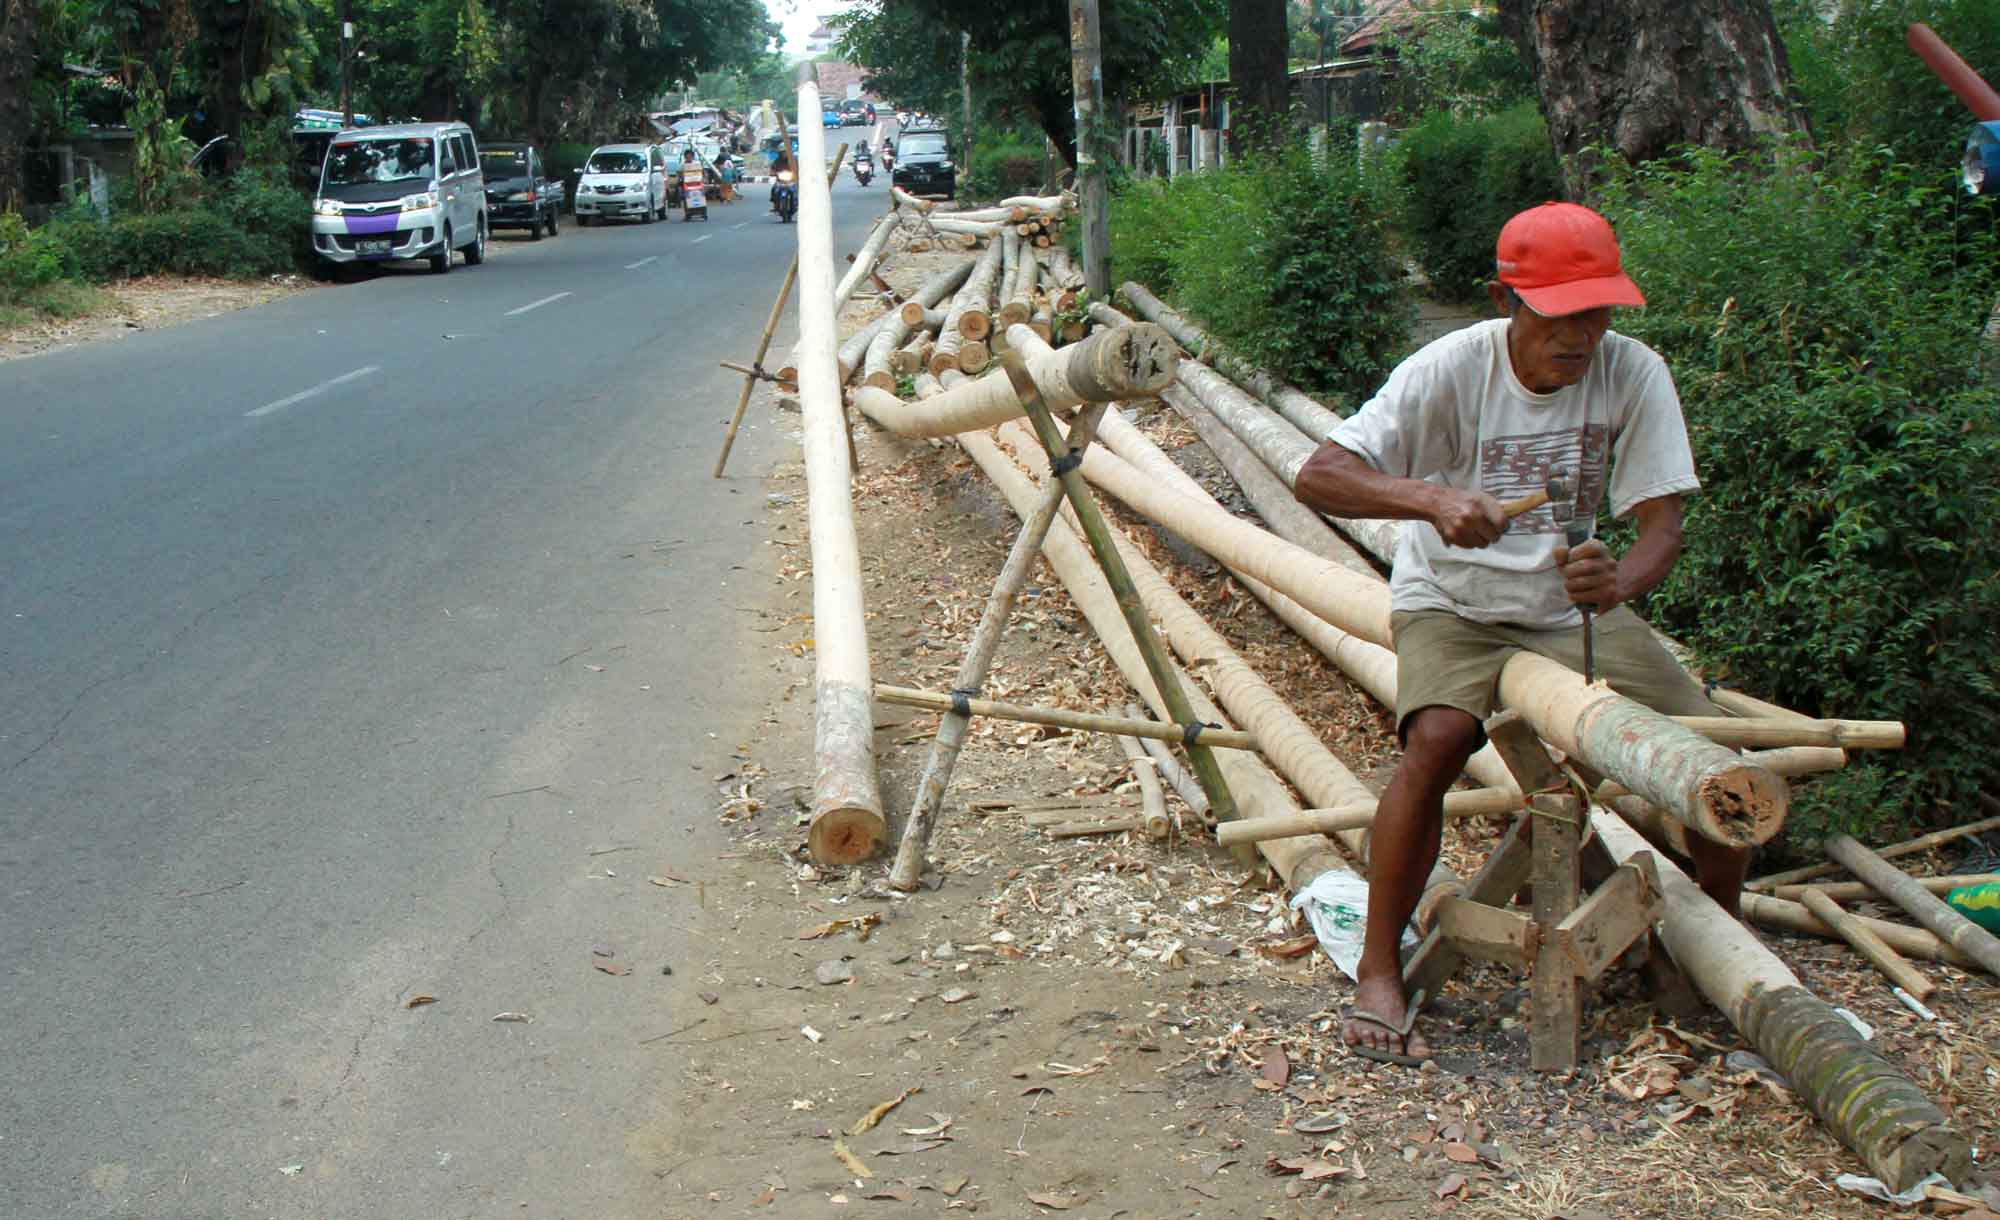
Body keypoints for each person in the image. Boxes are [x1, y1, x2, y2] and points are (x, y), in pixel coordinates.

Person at [1292, 202, 1743, 1066]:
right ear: (1507, 300)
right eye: (1558, 316)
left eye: (1596, 314)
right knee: (1436, 739)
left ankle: (1714, 954)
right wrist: (1432, 498)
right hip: (1453, 603)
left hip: (1574, 613)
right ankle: (1381, 970)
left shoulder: (1634, 374)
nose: (1579, 337)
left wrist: (1619, 581)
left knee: (1712, 763)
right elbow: (1321, 475)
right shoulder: (1450, 370)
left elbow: (1661, 530)